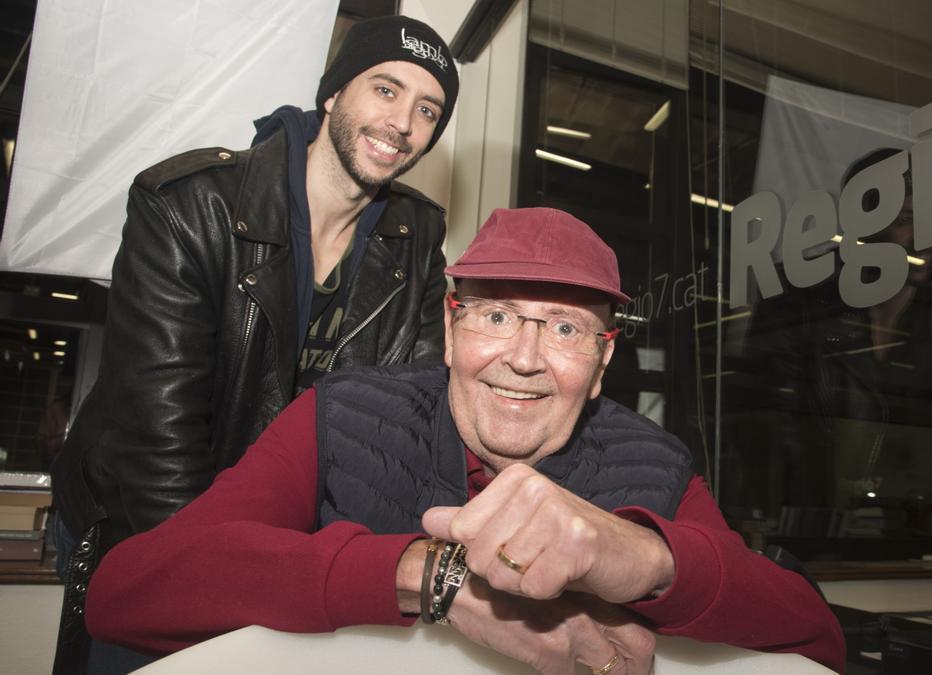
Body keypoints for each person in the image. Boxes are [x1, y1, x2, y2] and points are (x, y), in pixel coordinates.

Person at [86, 207, 847, 674]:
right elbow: (126, 594)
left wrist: (647, 558)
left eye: (564, 328)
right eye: (496, 315)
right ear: (451, 329)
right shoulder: (340, 415)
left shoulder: (655, 460)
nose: (523, 355)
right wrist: (429, 576)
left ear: (604, 360)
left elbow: (817, 638)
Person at [50, 15, 458, 674]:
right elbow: (158, 449)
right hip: (139, 526)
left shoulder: (414, 238)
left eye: (427, 108)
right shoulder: (190, 204)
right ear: (333, 94)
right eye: (385, 89)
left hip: (282, 542)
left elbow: (403, 423)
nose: (402, 122)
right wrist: (220, 589)